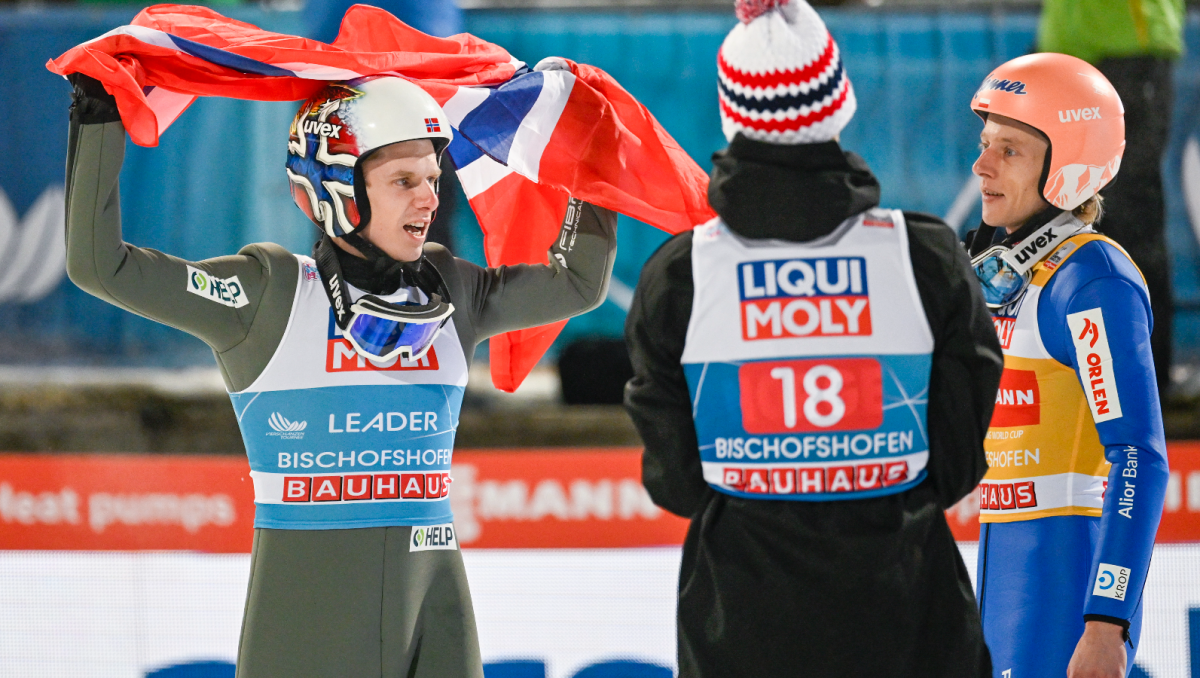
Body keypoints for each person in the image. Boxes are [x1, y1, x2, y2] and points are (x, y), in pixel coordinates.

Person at [64, 73, 616, 677]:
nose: (430, 199)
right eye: (404, 181)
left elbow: (577, 282)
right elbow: (101, 266)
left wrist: (587, 146)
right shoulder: (267, 294)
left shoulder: (453, 288)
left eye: (433, 179)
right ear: (338, 188)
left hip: (435, 608)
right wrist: (98, 112)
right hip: (306, 623)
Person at [622, 0, 1003, 674]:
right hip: (910, 619)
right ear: (838, 104)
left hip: (740, 627)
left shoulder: (682, 275)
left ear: (733, 116)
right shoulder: (926, 256)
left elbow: (678, 483)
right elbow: (957, 463)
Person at [964, 53, 1169, 678]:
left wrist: (1107, 622)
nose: (982, 166)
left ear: (1068, 166)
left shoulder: (1092, 280)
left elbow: (1138, 454)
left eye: (1010, 150)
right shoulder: (1010, 272)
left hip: (1060, 582)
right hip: (1000, 571)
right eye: (984, 144)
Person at [1039, 0, 1185, 400]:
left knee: (1127, 222)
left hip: (1127, 52)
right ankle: (1083, 374)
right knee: (1063, 225)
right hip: (1069, 56)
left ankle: (1147, 383)